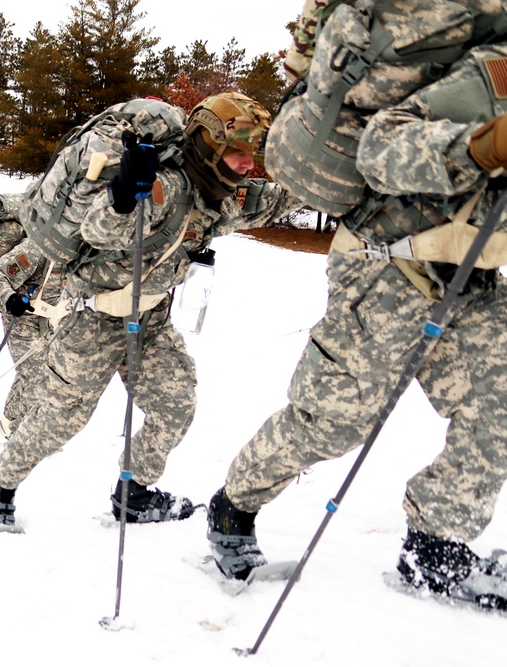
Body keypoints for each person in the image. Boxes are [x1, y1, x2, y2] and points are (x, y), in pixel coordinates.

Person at [207, 44, 507, 610]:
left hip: (474, 273)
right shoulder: (493, 74)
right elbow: (381, 152)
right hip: (386, 266)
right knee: (330, 423)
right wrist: (479, 147)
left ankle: (437, 547)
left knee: (500, 405)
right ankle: (234, 504)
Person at [0, 94, 301, 536]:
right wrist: (122, 199)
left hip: (152, 321)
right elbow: (98, 229)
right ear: (209, 147)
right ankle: (1, 490)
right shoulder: (162, 188)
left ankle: (135, 494)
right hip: (94, 323)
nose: (249, 164)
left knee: (175, 405)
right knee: (58, 422)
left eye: (252, 153)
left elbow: (278, 199)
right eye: (238, 153)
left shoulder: (219, 194)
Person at [0, 235, 64, 438]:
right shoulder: (39, 246)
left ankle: (9, 422)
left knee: (32, 373)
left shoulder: (84, 253)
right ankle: (22, 436)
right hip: (23, 319)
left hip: (53, 322)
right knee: (37, 376)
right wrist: (9, 299)